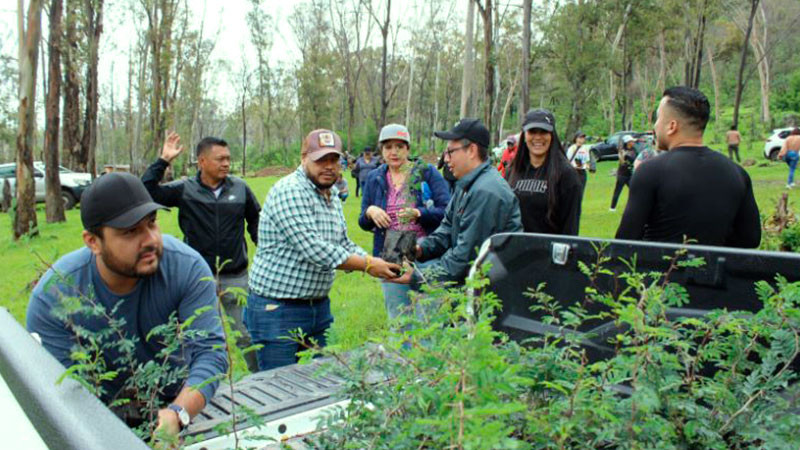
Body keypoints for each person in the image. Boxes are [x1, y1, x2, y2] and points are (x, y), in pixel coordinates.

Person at [26, 172, 228, 435]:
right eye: (130, 231)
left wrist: (178, 413)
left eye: (152, 222)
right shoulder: (55, 296)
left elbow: (210, 353)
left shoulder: (185, 267)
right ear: (93, 242)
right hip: (95, 415)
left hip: (174, 402)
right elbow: (63, 391)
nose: (150, 240)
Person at [246, 129, 406, 371]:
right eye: (321, 160)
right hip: (277, 311)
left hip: (317, 307)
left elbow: (341, 243)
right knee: (278, 389)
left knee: (320, 382)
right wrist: (369, 265)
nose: (329, 166)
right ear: (303, 158)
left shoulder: (330, 193)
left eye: (334, 160)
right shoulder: (290, 190)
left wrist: (379, 264)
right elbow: (315, 249)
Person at [142, 132, 261, 373]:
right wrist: (163, 161)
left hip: (236, 276)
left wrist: (265, 252)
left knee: (247, 335)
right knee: (199, 339)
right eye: (220, 159)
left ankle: (261, 377)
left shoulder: (240, 188)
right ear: (202, 161)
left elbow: (256, 221)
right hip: (198, 278)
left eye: (228, 158)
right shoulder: (185, 189)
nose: (226, 163)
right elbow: (146, 191)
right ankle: (201, 386)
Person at [616, 86, 761, 248]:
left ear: (672, 126)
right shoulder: (737, 173)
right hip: (715, 271)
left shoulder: (650, 171)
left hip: (663, 270)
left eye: (657, 119)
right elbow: (750, 239)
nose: (655, 127)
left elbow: (625, 242)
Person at [359, 124, 451, 320]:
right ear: (382, 150)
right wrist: (370, 211)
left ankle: (427, 352)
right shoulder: (375, 177)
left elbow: (447, 210)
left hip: (425, 250)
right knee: (398, 318)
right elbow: (362, 222)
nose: (394, 152)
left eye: (400, 146)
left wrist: (419, 213)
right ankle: (400, 352)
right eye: (388, 147)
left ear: (408, 149)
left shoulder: (426, 172)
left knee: (427, 318)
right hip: (391, 251)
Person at [415, 118, 522, 285]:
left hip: (491, 292)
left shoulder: (486, 191)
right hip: (473, 285)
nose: (446, 159)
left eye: (450, 152)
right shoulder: (466, 184)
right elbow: (447, 229)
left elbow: (466, 257)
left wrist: (418, 276)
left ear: (472, 150)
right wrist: (420, 250)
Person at [507, 109, 582, 235]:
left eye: (543, 132)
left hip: (549, 251)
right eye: (532, 132)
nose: (537, 137)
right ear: (524, 135)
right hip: (516, 250)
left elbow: (570, 227)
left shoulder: (566, 175)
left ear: (552, 136)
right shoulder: (512, 171)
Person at [609, 135, 636, 212]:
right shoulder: (622, 150)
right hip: (622, 174)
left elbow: (635, 159)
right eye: (631, 141)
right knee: (617, 191)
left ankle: (633, 206)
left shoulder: (634, 149)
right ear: (627, 142)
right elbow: (622, 162)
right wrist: (622, 155)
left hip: (630, 174)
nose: (633, 142)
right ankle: (612, 208)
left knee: (634, 190)